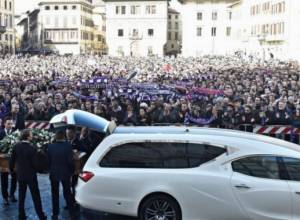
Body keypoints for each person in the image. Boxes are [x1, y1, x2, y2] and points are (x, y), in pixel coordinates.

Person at [9, 129, 46, 220]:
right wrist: (41, 170)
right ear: (28, 137)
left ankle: (21, 215)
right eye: (31, 135)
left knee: (21, 196)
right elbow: (35, 164)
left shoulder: (16, 146)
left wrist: (12, 171)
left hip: (21, 175)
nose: (32, 136)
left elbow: (11, 161)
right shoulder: (32, 148)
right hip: (31, 176)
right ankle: (41, 215)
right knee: (36, 197)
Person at [47, 130, 76, 220]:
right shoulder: (68, 147)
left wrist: (50, 169)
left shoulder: (50, 147)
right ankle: (72, 214)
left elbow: (48, 161)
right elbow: (71, 162)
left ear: (56, 137)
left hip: (54, 172)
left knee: (54, 194)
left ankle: (55, 213)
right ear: (64, 137)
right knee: (67, 193)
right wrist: (71, 172)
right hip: (65, 173)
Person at [0, 116, 17, 205]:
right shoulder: (0, 133)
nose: (10, 125)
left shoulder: (16, 133)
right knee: (4, 179)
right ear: (4, 124)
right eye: (8, 123)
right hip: (3, 161)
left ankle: (12, 194)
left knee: (14, 178)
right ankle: (5, 197)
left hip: (14, 160)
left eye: (11, 123)